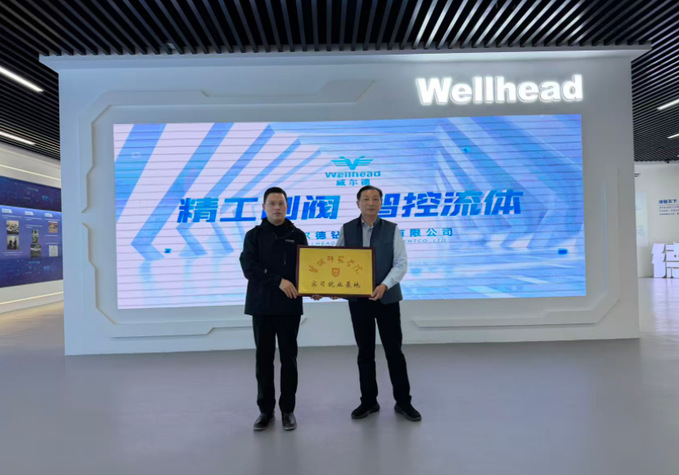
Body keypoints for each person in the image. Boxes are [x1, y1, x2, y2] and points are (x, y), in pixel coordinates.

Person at [335, 185, 421, 421]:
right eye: (366, 199)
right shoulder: (347, 229)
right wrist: (333, 287)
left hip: (387, 299)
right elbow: (337, 260)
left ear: (381, 203)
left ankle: (403, 402)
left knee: (394, 352)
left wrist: (384, 285)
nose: (370, 203)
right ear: (358, 203)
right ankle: (368, 401)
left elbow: (400, 263)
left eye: (375, 199)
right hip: (359, 300)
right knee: (365, 353)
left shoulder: (392, 229)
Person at [240, 187, 308, 431]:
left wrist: (314, 287)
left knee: (289, 359)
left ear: (287, 207)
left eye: (281, 203)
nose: (277, 207)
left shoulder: (298, 235)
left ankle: (288, 410)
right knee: (264, 360)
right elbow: (249, 268)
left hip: (289, 306)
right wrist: (278, 281)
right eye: (272, 203)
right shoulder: (253, 235)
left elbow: (307, 269)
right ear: (264, 207)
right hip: (261, 306)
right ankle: (265, 411)